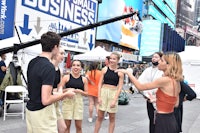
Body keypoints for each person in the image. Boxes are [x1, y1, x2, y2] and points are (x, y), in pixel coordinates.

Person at [116, 52, 183, 133]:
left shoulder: (164, 80)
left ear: (168, 65)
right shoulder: (176, 81)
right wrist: (159, 100)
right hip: (171, 119)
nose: (159, 62)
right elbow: (176, 103)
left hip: (163, 120)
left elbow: (140, 86)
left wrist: (128, 73)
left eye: (161, 60)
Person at [26, 31, 75, 133]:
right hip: (42, 113)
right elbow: (46, 100)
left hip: (30, 110)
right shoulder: (49, 67)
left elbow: (37, 89)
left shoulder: (32, 62)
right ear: (55, 47)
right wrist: (65, 95)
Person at [94, 52, 124, 133]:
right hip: (104, 92)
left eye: (114, 59)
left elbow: (120, 87)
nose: (111, 60)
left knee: (112, 117)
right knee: (100, 117)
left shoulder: (120, 72)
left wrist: (115, 100)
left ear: (118, 60)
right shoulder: (104, 69)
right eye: (110, 58)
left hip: (113, 93)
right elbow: (100, 83)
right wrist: (99, 97)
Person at [136, 52, 163, 133]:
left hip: (159, 100)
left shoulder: (162, 71)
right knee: (151, 120)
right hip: (149, 99)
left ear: (161, 59)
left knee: (159, 122)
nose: (153, 58)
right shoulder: (148, 70)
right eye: (153, 57)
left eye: (156, 57)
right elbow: (141, 81)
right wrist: (144, 93)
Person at [60, 60, 88, 133]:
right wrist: (67, 90)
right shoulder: (66, 77)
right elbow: (59, 91)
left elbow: (87, 93)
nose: (76, 67)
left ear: (81, 68)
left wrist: (80, 91)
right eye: (74, 65)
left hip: (78, 102)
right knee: (67, 125)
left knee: (78, 126)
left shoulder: (84, 79)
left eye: (78, 65)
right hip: (67, 101)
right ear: (71, 67)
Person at [51, 46, 67, 133]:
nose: (63, 56)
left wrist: (60, 93)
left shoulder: (59, 70)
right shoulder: (48, 67)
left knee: (63, 128)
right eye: (61, 53)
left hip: (56, 100)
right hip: (49, 99)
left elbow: (60, 85)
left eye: (63, 53)